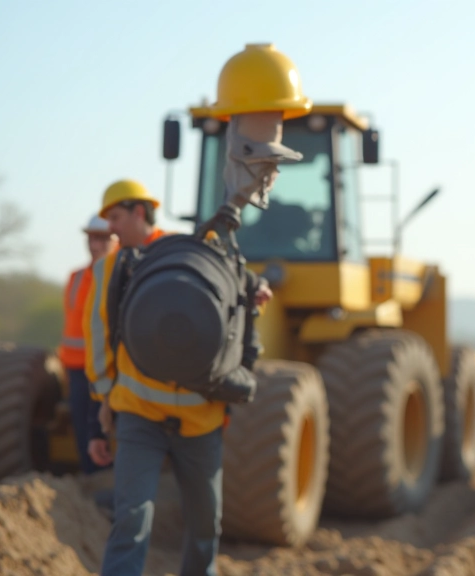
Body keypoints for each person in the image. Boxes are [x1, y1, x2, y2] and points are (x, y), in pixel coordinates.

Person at [83, 43, 307, 576]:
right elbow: (98, 336)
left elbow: (234, 304)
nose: (111, 227)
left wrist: (253, 295)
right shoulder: (120, 268)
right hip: (139, 414)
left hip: (201, 419)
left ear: (139, 214)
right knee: (132, 518)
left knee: (206, 526)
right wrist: (105, 400)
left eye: (117, 217)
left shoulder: (207, 257)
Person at [58, 214, 115, 475]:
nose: (95, 245)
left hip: (112, 370)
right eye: (91, 238)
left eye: (102, 238)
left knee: (109, 429)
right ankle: (92, 481)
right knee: (84, 430)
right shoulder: (76, 277)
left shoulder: (123, 275)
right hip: (78, 370)